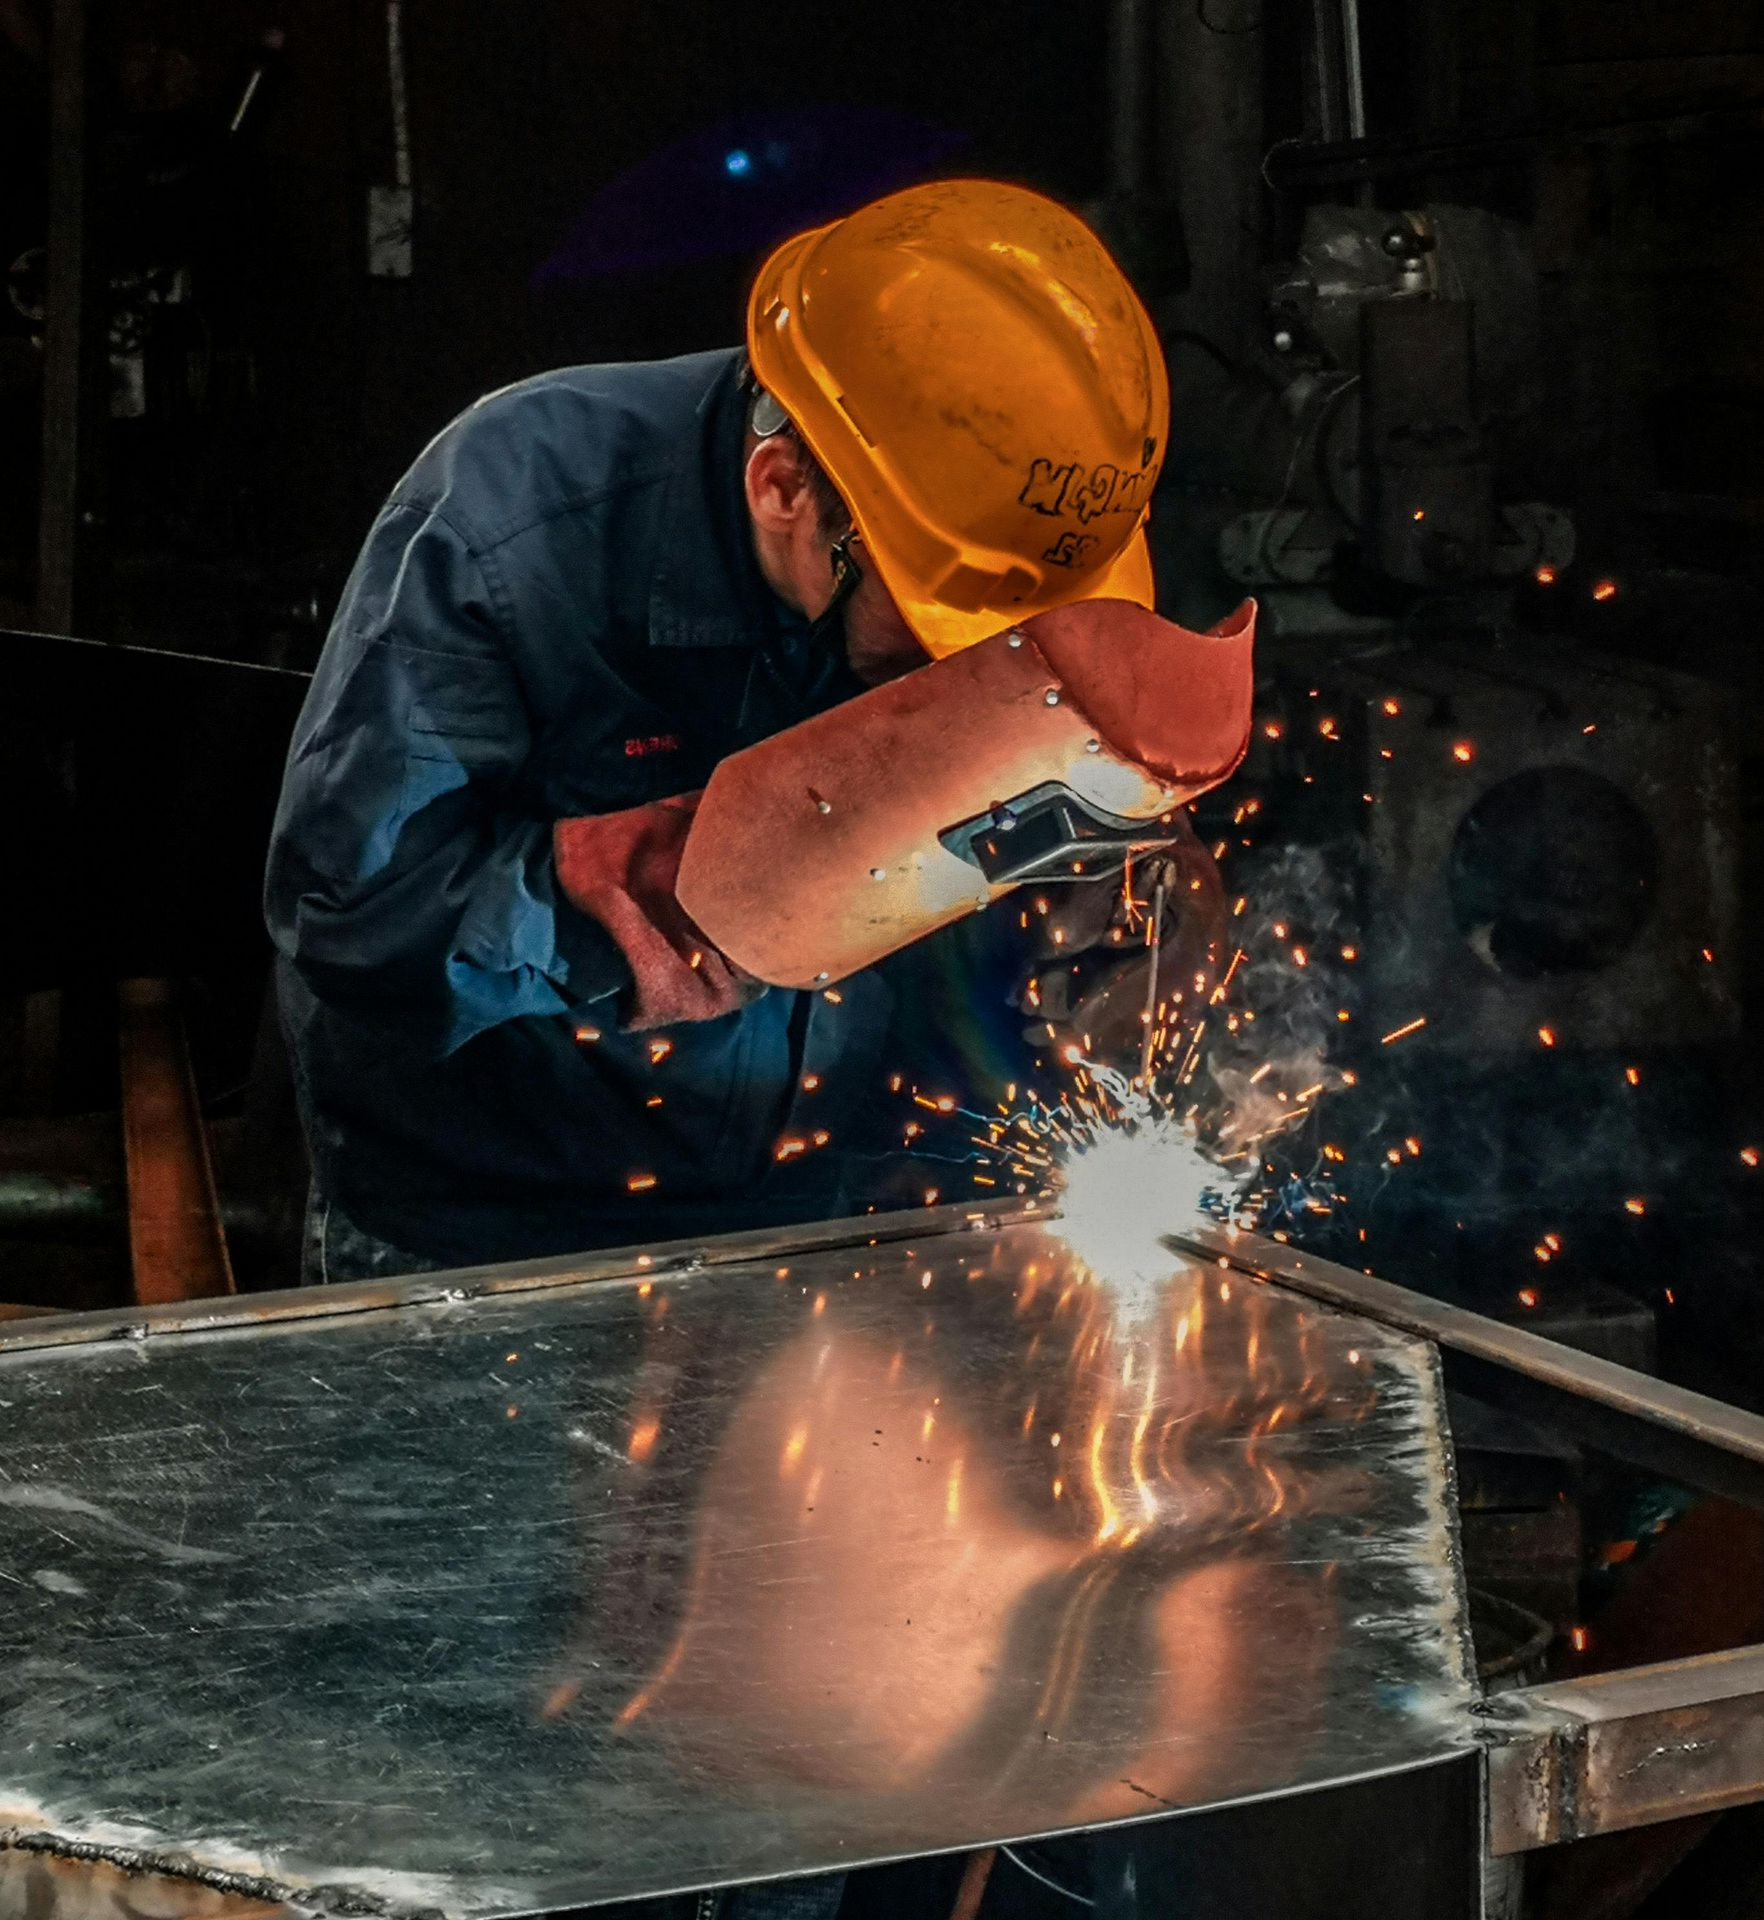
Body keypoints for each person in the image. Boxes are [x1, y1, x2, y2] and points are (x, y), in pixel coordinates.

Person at [264, 184, 1252, 1913]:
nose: (973, 671)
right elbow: (348, 913)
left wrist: (1081, 960)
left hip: (816, 1262)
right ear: (789, 490)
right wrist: (629, 899)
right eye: (940, 631)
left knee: (783, 1788)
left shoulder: (1002, 538)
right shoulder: (514, 515)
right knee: (481, 1798)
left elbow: (1004, 910)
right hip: (490, 1258)